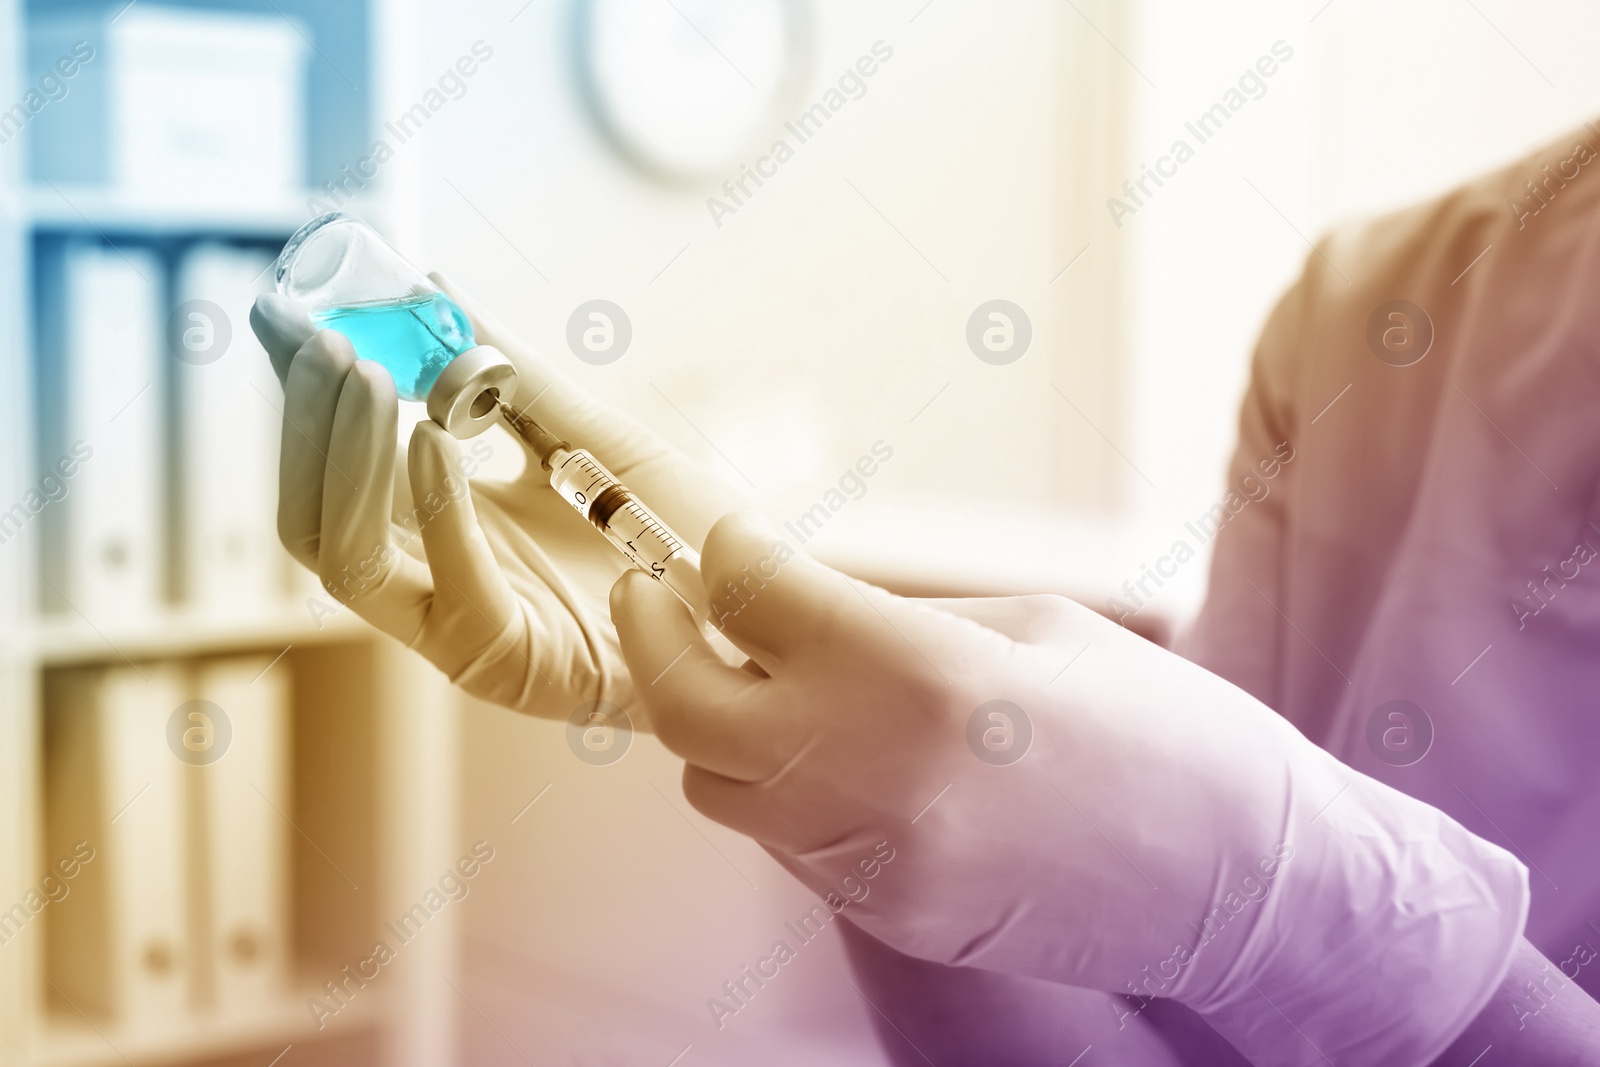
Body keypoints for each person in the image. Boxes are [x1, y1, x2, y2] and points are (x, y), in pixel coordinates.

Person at [250, 116, 1600, 1062]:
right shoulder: (1385, 298)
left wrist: (1338, 935)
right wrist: (835, 783)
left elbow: (1266, 934)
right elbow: (1169, 1038)